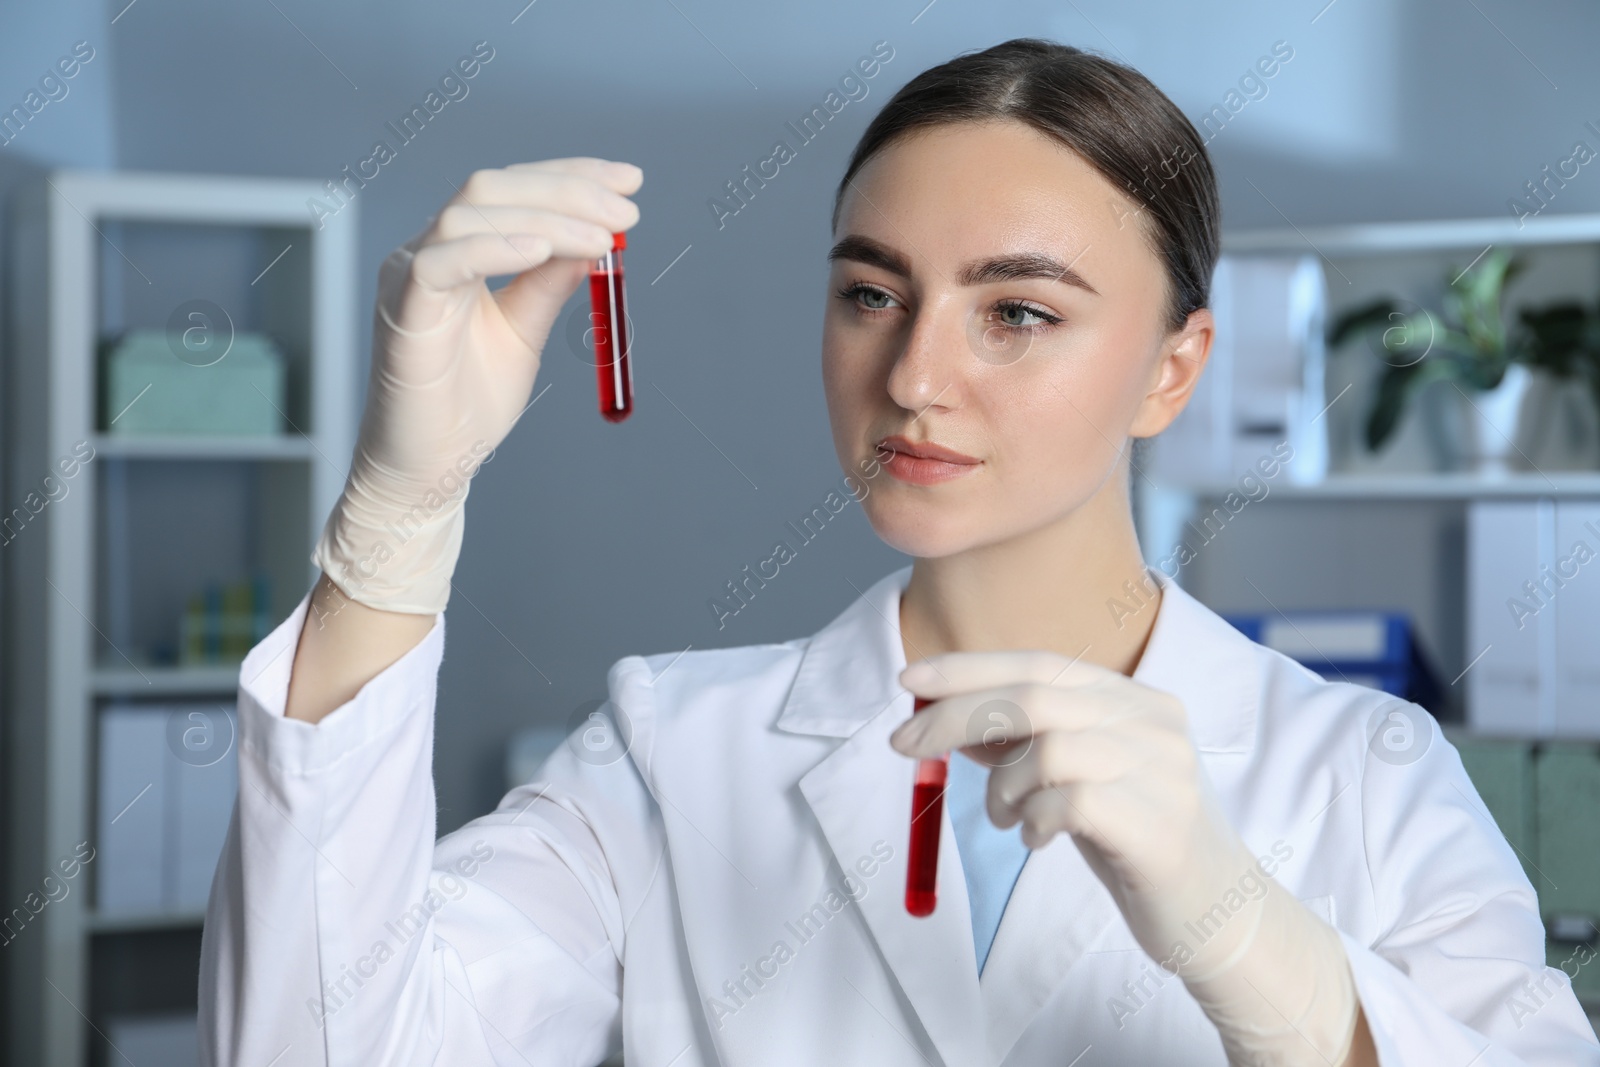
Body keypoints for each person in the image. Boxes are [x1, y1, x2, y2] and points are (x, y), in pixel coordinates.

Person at [198, 38, 1599, 1066]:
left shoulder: (1365, 776)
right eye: (873, 293)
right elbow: (313, 1050)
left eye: (1019, 313)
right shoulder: (670, 755)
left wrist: (1244, 930)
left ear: (1176, 369)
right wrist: (400, 504)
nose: (916, 377)